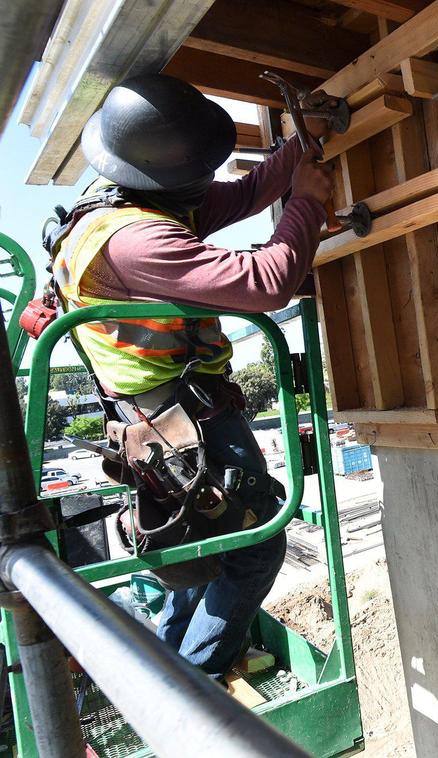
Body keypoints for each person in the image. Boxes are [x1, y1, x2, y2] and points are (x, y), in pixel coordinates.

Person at [45, 74, 333, 681]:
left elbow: (246, 195)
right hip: (186, 423)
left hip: (157, 421)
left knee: (201, 547)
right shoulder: (137, 240)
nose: (207, 184)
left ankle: (167, 671)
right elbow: (263, 284)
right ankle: (196, 687)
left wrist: (299, 148)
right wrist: (308, 201)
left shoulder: (119, 203)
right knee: (256, 548)